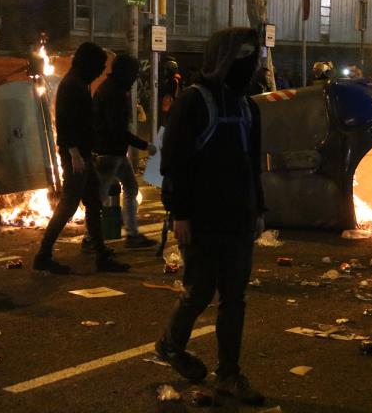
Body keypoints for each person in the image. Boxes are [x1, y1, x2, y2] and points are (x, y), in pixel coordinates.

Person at [155, 27, 266, 406]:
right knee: (199, 291)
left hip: (239, 218)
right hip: (200, 219)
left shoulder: (249, 107)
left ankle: (229, 375)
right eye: (240, 56)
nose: (246, 65)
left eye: (251, 57)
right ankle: (170, 345)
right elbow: (173, 164)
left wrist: (259, 211)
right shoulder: (194, 101)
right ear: (221, 57)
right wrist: (180, 214)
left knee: (235, 297)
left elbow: (254, 165)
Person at [33, 42, 130, 275]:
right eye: (98, 66)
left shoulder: (79, 83)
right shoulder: (73, 85)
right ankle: (43, 255)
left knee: (94, 203)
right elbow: (65, 122)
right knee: (69, 205)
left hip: (82, 154)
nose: (100, 72)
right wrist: (75, 152)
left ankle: (101, 254)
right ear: (88, 63)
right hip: (76, 155)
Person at [93, 54, 158, 249]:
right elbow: (117, 130)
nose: (135, 78)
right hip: (109, 152)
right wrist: (145, 145)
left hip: (112, 152)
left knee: (129, 189)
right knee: (101, 196)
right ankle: (92, 237)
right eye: (133, 74)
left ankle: (131, 235)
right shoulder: (115, 92)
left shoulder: (109, 88)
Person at [159, 57, 182, 127]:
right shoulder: (169, 80)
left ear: (171, 71)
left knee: (165, 124)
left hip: (169, 106)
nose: (164, 71)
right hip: (167, 105)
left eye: (167, 70)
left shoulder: (174, 81)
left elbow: (167, 91)